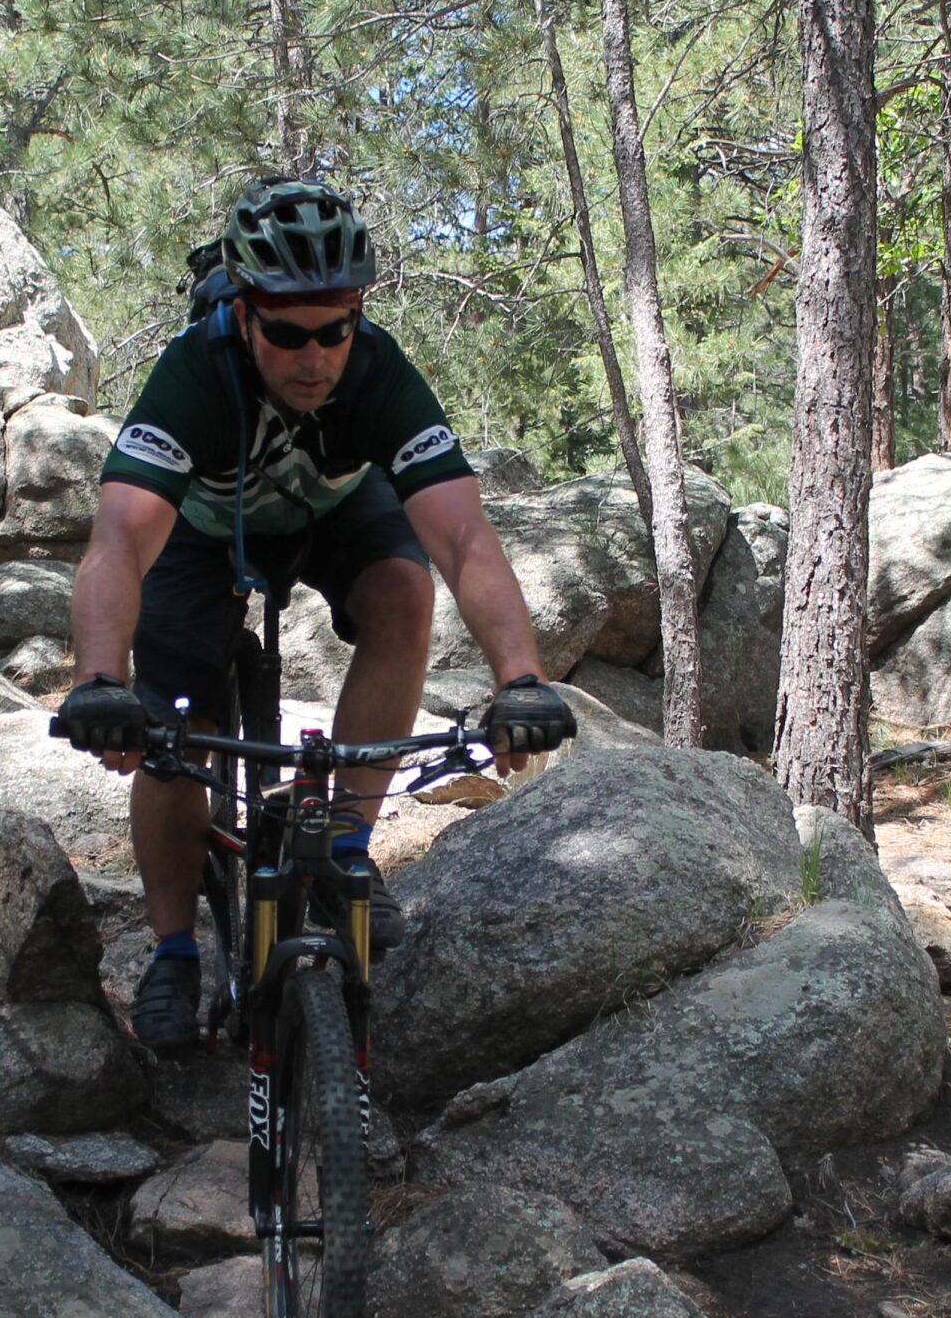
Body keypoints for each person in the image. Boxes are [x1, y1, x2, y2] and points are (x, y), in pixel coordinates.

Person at [54, 178, 576, 1051]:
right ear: (244, 315)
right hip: (201, 531)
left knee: (405, 588)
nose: (314, 357)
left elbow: (462, 537)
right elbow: (120, 537)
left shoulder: (377, 370)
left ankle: (343, 846)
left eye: (334, 330)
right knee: (181, 731)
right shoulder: (194, 373)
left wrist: (521, 679)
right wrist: (100, 680)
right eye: (288, 334)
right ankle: (174, 952)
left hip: (331, 510)